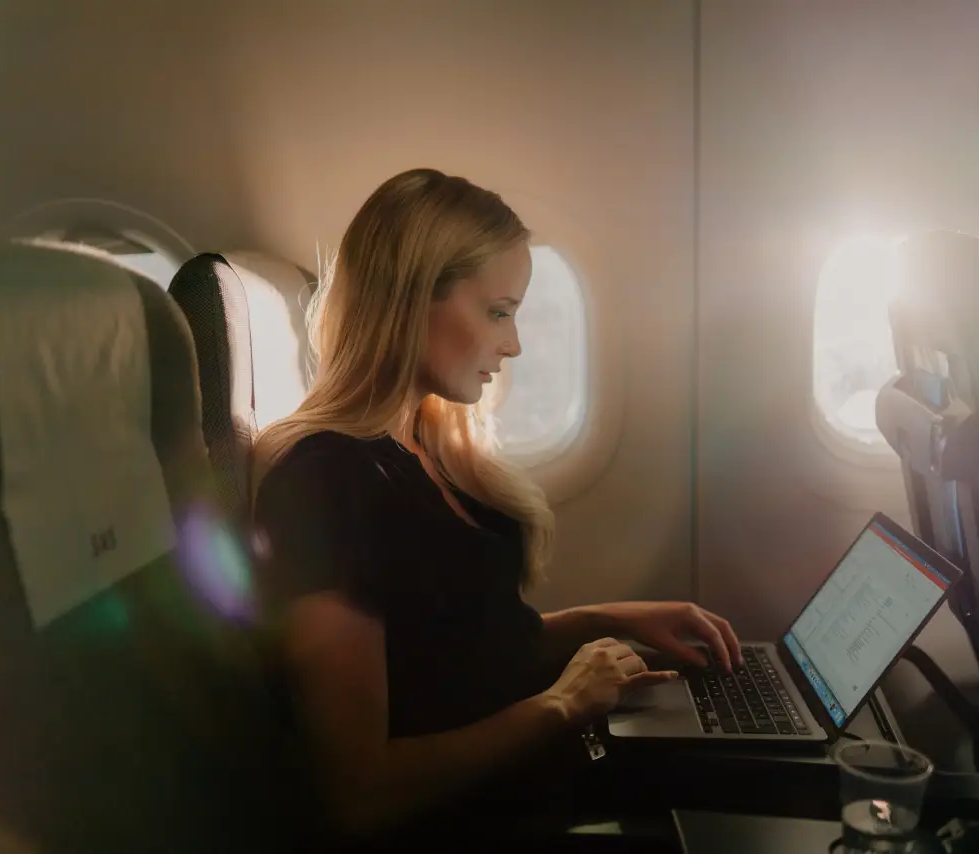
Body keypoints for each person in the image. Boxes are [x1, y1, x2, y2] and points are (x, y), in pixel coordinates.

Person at [250, 168, 745, 845]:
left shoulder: (423, 442)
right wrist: (563, 703)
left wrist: (607, 619)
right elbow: (360, 792)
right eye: (498, 312)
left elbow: (457, 652)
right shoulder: (326, 483)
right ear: (414, 297)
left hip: (535, 783)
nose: (512, 345)